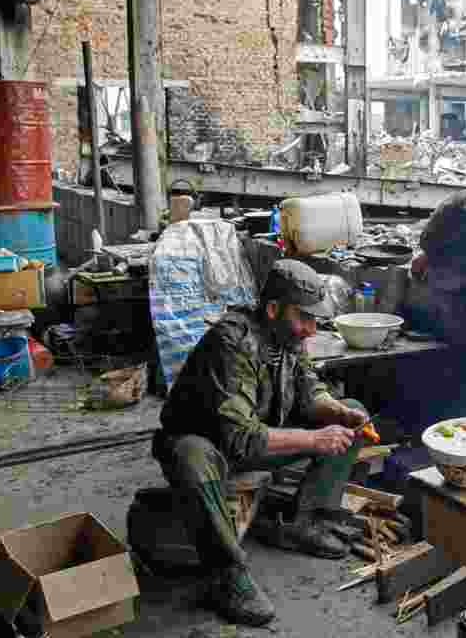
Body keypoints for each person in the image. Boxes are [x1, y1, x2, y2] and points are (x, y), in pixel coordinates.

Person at [152, 260, 371, 626]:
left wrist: (333, 410)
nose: (311, 330)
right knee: (191, 455)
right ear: (273, 310)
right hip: (218, 448)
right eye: (305, 319)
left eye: (316, 321)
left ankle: (304, 521)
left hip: (261, 437)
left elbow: (307, 389)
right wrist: (315, 439)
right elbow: (240, 439)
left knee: (350, 411)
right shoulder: (231, 343)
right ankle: (226, 574)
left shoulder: (289, 337)